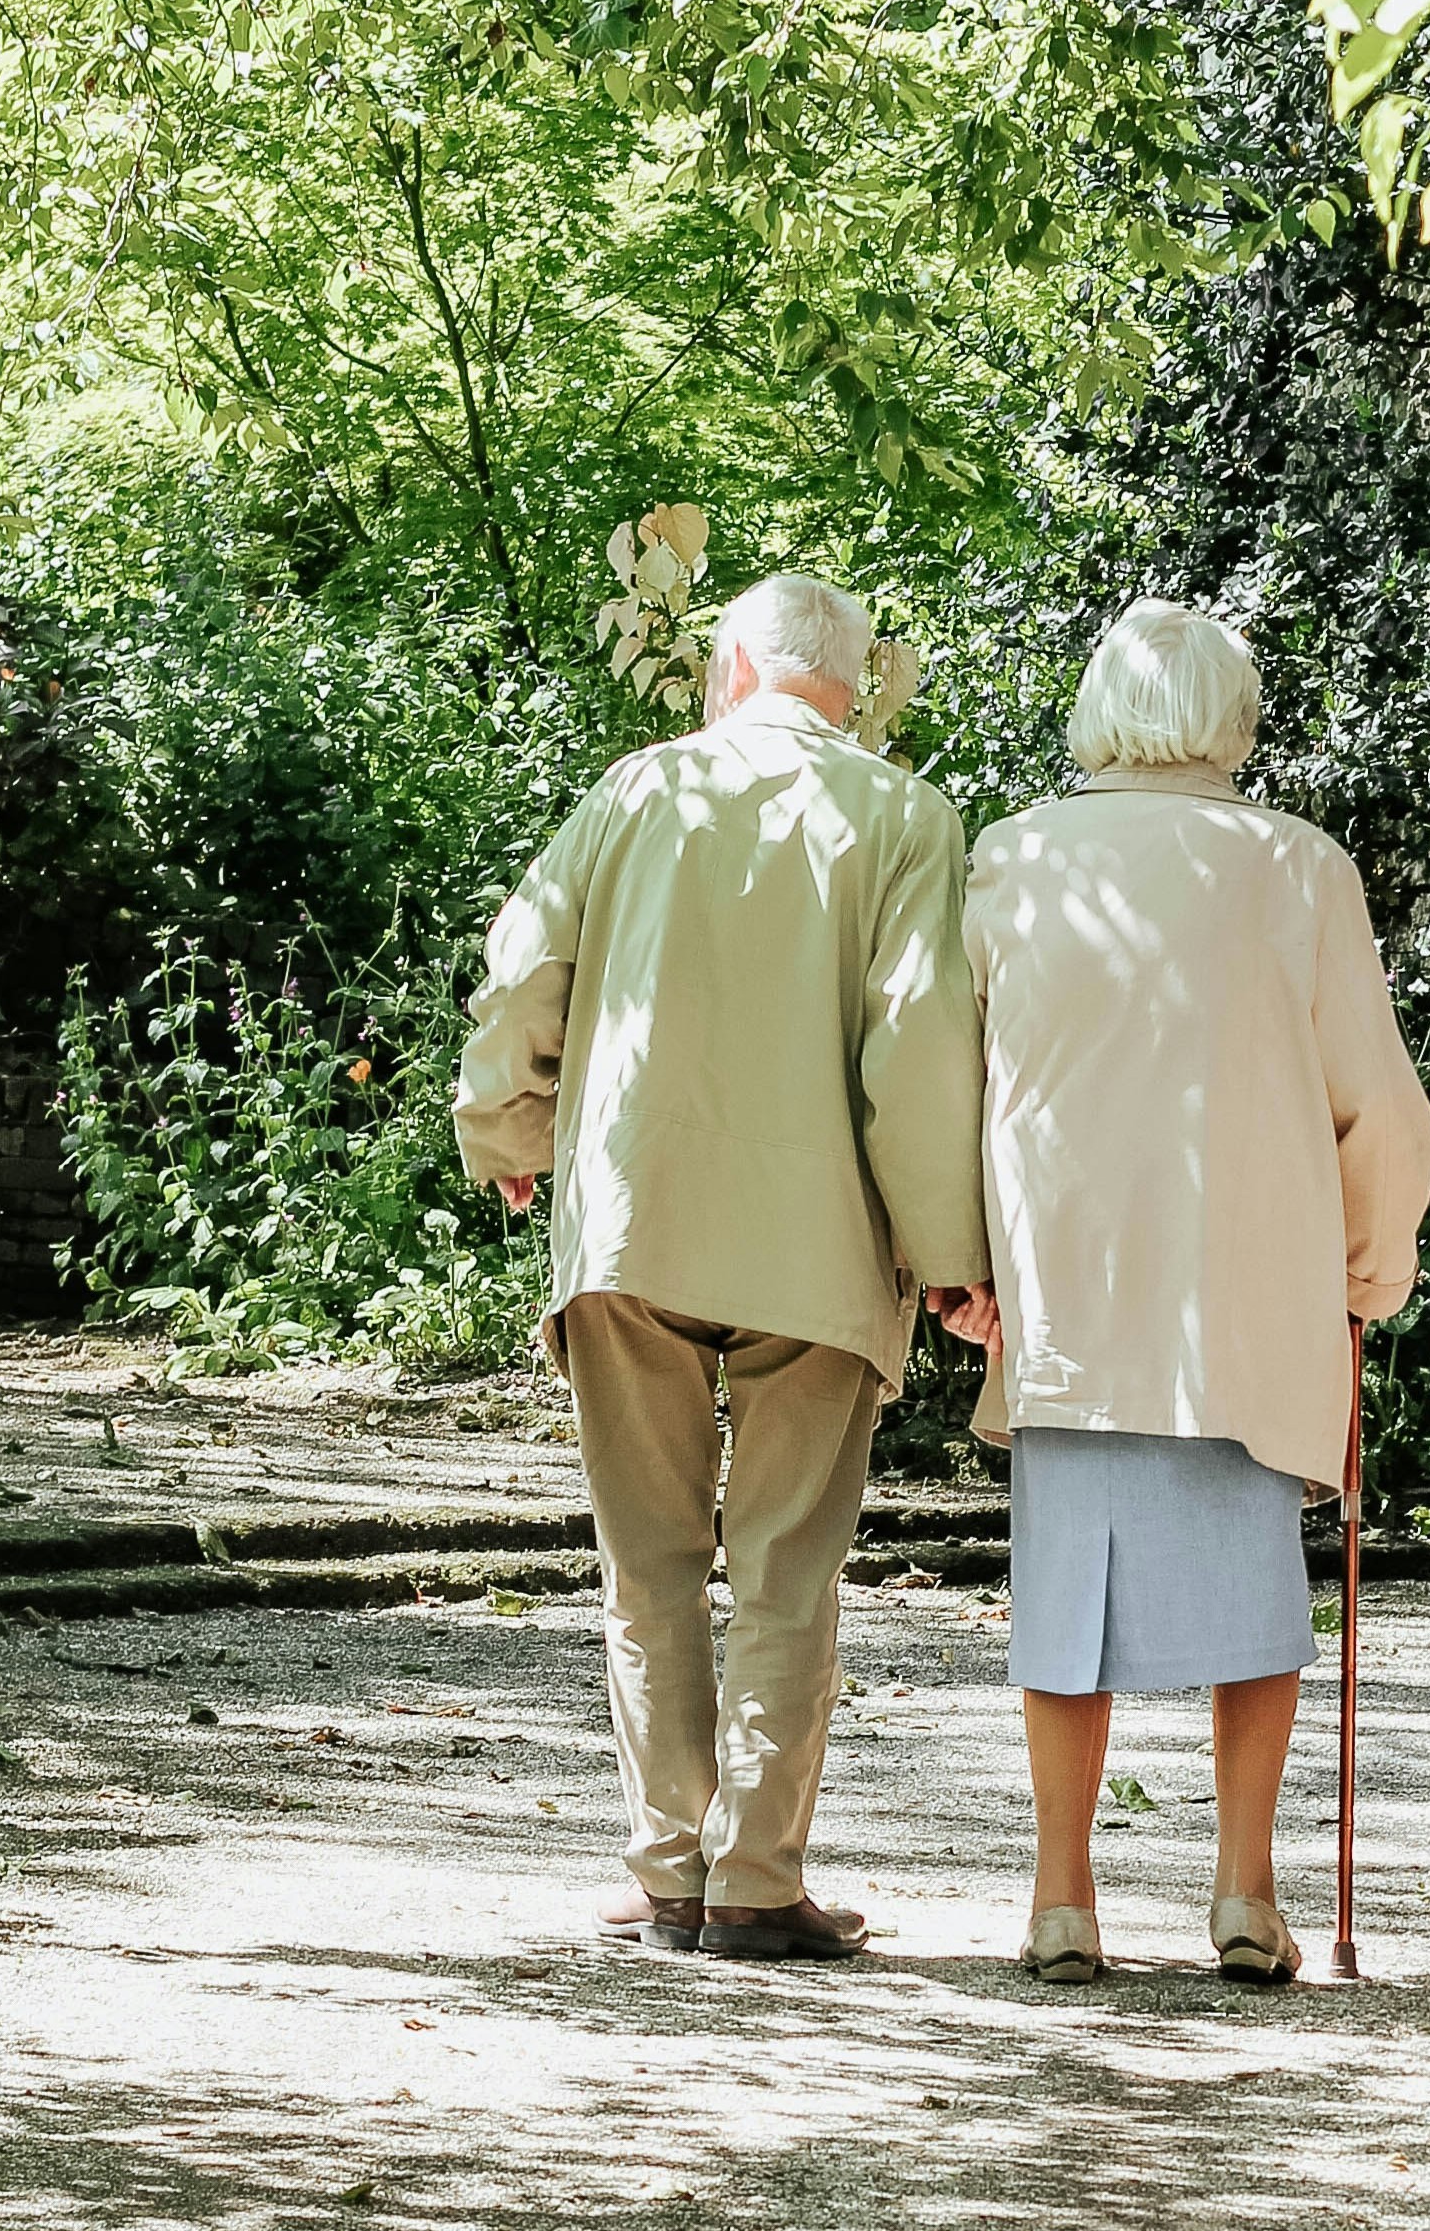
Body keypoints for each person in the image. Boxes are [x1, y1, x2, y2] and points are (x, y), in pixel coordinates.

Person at [453, 573, 993, 1963]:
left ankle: (667, 1871)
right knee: (786, 1570)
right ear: (852, 689)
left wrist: (506, 1128)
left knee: (648, 1564)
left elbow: (523, 975)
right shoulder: (906, 816)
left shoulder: (635, 791)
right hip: (818, 1242)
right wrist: (949, 1256)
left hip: (634, 1223)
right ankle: (754, 1879)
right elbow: (918, 1048)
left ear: (734, 669)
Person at [952, 597, 1430, 1986]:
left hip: (1070, 1284)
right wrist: (1372, 1264)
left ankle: (1061, 1899)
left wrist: (960, 1264)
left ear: (1100, 710)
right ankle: (1244, 1891)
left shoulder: (1015, 857)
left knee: (1064, 1603)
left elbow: (955, 1081)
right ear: (1235, 717)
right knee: (1255, 1599)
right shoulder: (1298, 868)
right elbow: (1375, 1103)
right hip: (1248, 1291)